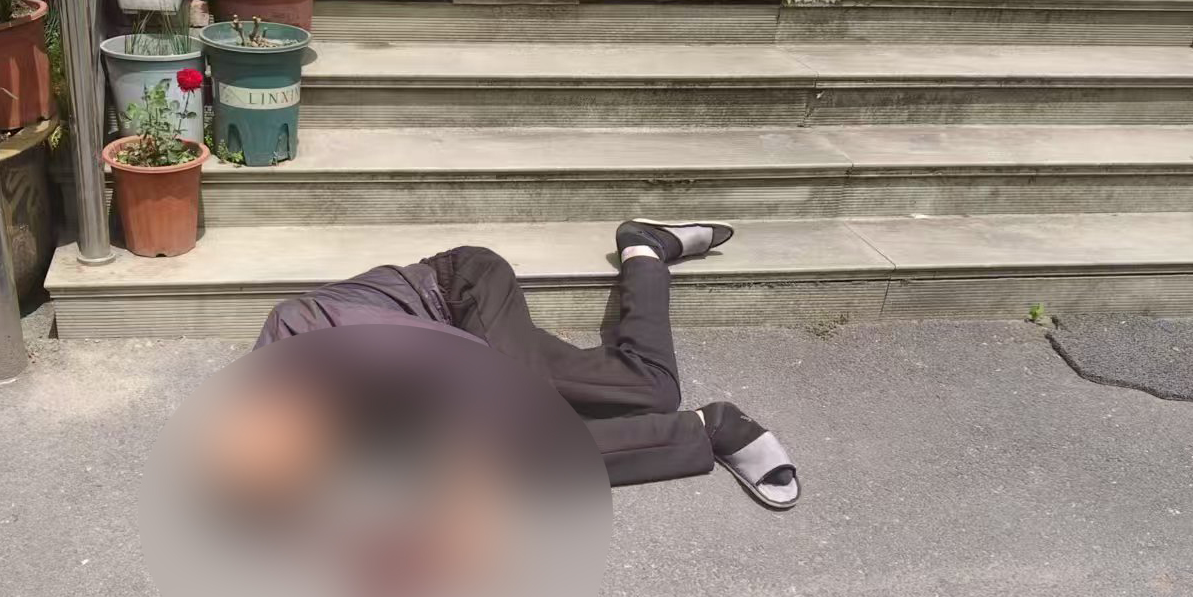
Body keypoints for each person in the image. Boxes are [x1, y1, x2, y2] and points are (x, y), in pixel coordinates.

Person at [255, 221, 800, 509]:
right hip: (458, 354)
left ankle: (714, 433)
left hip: (461, 291)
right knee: (651, 390)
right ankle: (645, 250)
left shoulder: (307, 336)